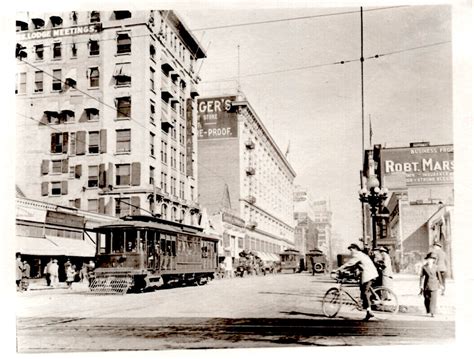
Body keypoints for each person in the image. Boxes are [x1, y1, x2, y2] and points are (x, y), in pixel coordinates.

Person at [335, 243, 379, 321]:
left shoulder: (358, 255)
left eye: (351, 250)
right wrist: (345, 270)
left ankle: (369, 310)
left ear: (355, 249)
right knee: (362, 291)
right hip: (368, 273)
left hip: (369, 274)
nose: (351, 252)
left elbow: (350, 263)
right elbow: (354, 266)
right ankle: (368, 312)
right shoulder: (361, 255)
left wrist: (339, 269)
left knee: (365, 292)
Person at [419, 252, 442, 317]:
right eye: (429, 259)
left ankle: (432, 312)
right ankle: (428, 310)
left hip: (434, 284)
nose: (430, 260)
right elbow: (421, 276)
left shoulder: (436, 267)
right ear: (427, 260)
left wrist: (441, 284)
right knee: (427, 298)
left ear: (433, 260)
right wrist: (420, 285)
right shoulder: (424, 267)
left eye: (431, 259)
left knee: (433, 299)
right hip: (426, 285)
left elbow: (439, 276)